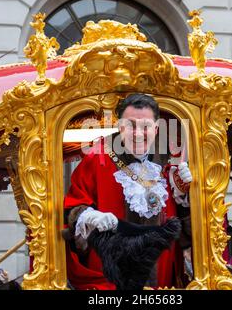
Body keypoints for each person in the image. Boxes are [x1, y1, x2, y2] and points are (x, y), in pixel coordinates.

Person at [63, 93, 193, 290]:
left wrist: (189, 194)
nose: (138, 133)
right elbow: (73, 206)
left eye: (146, 126)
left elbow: (188, 231)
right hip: (109, 279)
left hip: (163, 281)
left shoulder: (171, 161)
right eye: (131, 125)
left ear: (156, 129)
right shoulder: (96, 159)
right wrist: (88, 216)